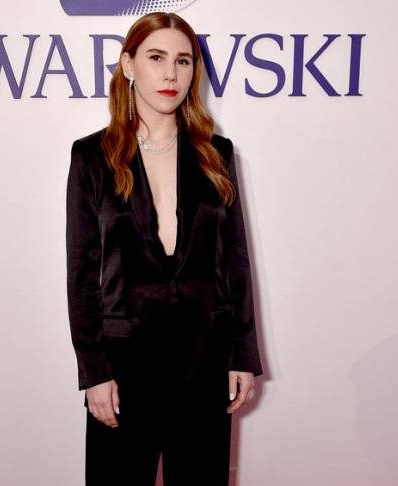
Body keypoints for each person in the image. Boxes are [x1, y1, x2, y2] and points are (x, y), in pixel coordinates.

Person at [66, 11, 264, 486]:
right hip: (123, 366)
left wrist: (242, 354)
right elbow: (82, 273)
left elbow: (235, 261)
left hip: (205, 360)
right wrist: (93, 370)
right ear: (129, 66)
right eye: (156, 58)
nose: (171, 73)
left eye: (183, 61)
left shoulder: (216, 154)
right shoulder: (92, 156)